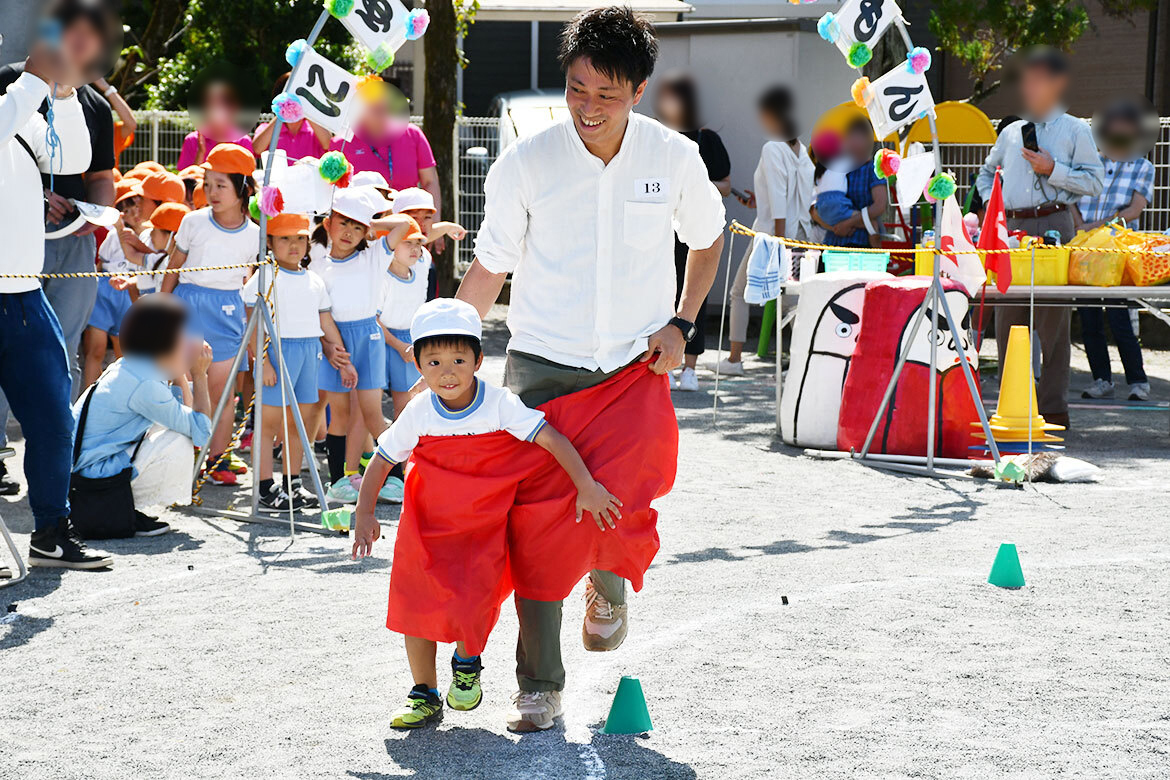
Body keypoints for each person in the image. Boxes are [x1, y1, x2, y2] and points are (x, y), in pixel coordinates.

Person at [455, 7, 725, 731]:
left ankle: (608, 586)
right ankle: (539, 685)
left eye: (607, 94)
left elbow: (707, 238)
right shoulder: (527, 162)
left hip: (634, 368)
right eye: (577, 89)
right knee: (536, 527)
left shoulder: (673, 158)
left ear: (639, 89)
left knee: (626, 500)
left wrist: (682, 322)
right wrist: (445, 355)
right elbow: (489, 269)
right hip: (542, 367)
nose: (589, 108)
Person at [352, 299, 623, 729]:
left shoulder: (499, 404)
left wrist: (585, 486)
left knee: (475, 600)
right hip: (426, 528)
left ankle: (466, 658)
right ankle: (423, 691)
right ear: (417, 364)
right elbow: (382, 459)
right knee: (415, 605)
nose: (447, 372)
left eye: (459, 359)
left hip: (481, 530)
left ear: (479, 360)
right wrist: (364, 513)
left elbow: (549, 438)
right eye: (434, 360)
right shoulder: (419, 410)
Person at [1, 28, 113, 568]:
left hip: (24, 294)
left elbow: (73, 152)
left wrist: (64, 92)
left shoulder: (17, 100)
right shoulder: (15, 98)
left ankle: (50, 531)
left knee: (52, 416)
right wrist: (37, 80)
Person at [976, 47, 1104, 428]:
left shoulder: (1077, 130)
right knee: (1008, 321)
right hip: (1011, 230)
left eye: (1036, 80)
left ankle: (1053, 410)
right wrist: (991, 203)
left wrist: (1055, 169)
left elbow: (1095, 182)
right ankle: (1011, 408)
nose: (1028, 88)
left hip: (1054, 226)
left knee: (1053, 324)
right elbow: (985, 175)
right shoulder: (1011, 132)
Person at [70, 294, 214, 539]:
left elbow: (183, 412)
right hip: (94, 477)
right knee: (178, 439)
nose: (189, 340)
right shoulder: (145, 383)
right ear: (164, 339)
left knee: (168, 428)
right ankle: (120, 508)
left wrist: (179, 369)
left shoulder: (131, 366)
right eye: (183, 334)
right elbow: (200, 431)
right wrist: (199, 375)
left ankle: (124, 508)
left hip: (82, 471)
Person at [311, 187, 418, 504]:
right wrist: (331, 348)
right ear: (328, 224)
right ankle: (338, 482)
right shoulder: (318, 267)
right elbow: (320, 314)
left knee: (372, 414)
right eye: (343, 222)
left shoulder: (374, 255)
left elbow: (403, 226)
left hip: (368, 340)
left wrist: (374, 225)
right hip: (334, 345)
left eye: (357, 227)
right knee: (339, 416)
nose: (349, 232)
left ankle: (399, 476)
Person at [161, 143, 259, 484]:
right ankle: (184, 460)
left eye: (221, 185)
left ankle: (218, 460)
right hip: (187, 306)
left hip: (230, 312)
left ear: (242, 189)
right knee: (185, 388)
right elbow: (174, 265)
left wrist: (251, 331)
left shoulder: (256, 235)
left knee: (222, 392)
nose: (211, 192)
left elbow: (250, 284)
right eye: (207, 183)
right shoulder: (192, 221)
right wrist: (162, 308)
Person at [242, 213, 354, 511]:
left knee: (299, 424)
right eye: (285, 238)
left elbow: (325, 320)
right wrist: (263, 362)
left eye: (300, 238)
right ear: (270, 242)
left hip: (309, 354)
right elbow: (253, 324)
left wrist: (337, 351)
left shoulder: (314, 279)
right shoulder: (264, 277)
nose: (294, 245)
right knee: (268, 426)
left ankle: (292, 484)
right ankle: (265, 488)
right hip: (278, 354)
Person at [722, 86, 814, 376]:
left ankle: (735, 360)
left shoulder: (772, 148)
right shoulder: (802, 152)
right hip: (803, 234)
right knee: (794, 301)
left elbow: (777, 199)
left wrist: (778, 242)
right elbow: (787, 196)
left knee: (739, 291)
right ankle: (799, 363)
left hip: (773, 234)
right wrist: (755, 201)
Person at [1071, 99, 1154, 401]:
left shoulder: (1144, 166)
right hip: (1084, 251)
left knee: (1121, 318)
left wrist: (1098, 225)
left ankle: (1138, 381)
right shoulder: (1089, 162)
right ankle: (1101, 379)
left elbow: (1135, 210)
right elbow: (1070, 197)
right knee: (1089, 317)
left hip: (1118, 251)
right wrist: (1081, 225)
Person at [653, 72, 730, 391]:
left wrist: (692, 189)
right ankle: (663, 363)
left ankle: (691, 368)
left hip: (698, 230)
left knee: (695, 296)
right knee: (661, 295)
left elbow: (725, 184)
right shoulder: (654, 138)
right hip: (659, 233)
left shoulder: (706, 139)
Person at [329, 89, 442, 253]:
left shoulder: (413, 134)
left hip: (409, 234)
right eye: (375, 109)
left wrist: (434, 222)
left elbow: (430, 181)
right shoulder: (342, 142)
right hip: (362, 235)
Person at [177, 78, 255, 169]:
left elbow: (247, 179)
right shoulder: (192, 140)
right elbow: (186, 180)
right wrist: (201, 153)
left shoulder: (243, 141)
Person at [252, 73, 331, 162]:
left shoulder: (314, 130)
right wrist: (281, 110)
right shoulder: (265, 128)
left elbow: (328, 144)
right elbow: (257, 149)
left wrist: (307, 107)